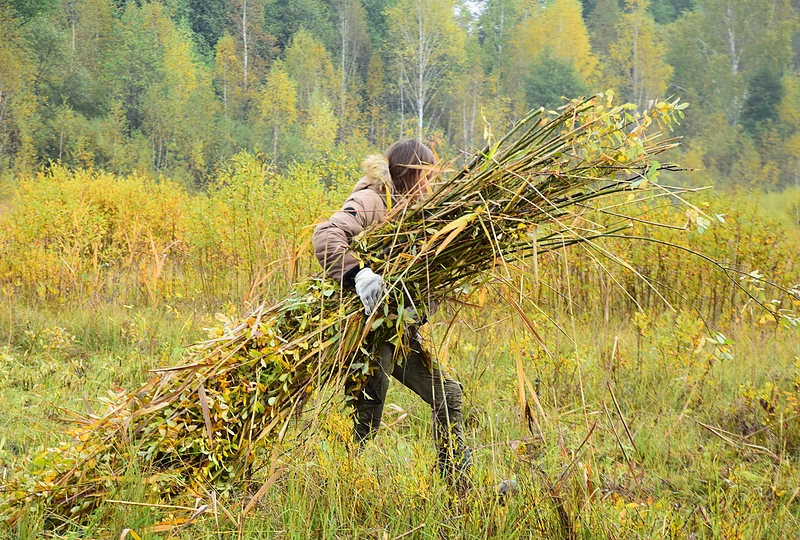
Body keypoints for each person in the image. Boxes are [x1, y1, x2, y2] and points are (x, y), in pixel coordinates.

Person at [312, 138, 472, 487]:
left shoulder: (421, 215)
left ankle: (458, 485)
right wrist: (359, 275)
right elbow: (326, 235)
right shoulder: (373, 200)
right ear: (408, 174)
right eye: (425, 176)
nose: (429, 185)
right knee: (368, 414)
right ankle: (334, 486)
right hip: (369, 333)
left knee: (449, 395)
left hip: (399, 331)